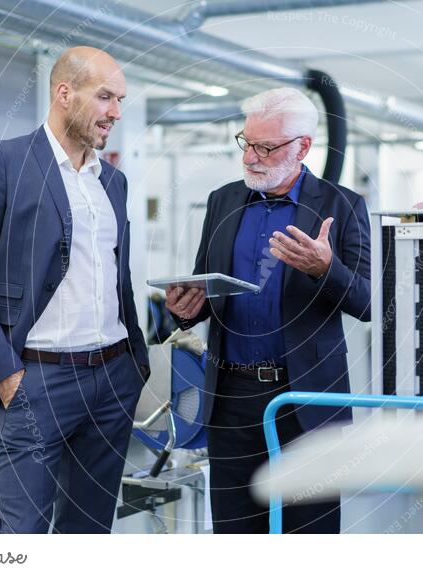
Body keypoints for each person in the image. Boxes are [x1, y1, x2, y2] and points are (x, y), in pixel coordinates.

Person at [0, 47, 150, 534]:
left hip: (112, 378)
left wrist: (134, 366)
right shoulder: (4, 161)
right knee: (24, 536)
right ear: (64, 93)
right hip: (37, 381)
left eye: (120, 99)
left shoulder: (112, 181)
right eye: (105, 97)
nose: (116, 112)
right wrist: (4, 374)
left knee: (90, 532)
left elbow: (115, 280)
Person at [166, 87, 371, 533]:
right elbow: (205, 286)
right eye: (246, 142)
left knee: (307, 536)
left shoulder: (344, 206)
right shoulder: (222, 201)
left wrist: (325, 269)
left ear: (303, 147)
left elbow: (370, 302)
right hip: (231, 398)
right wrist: (184, 310)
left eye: (266, 147)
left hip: (306, 400)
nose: (251, 157)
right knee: (236, 535)